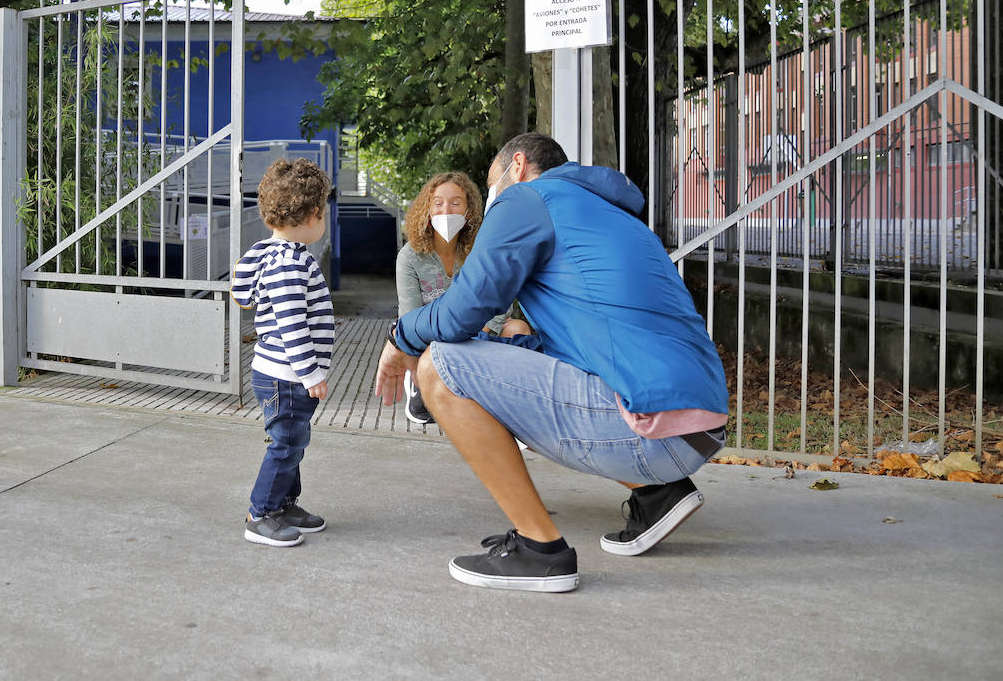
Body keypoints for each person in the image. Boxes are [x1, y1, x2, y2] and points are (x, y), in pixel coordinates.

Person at [374, 133, 728, 592]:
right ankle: (658, 495)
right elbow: (581, 341)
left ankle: (541, 550)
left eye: (491, 182)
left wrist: (399, 337)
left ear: (516, 165)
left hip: (651, 428)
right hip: (698, 428)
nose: (494, 195)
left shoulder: (527, 199)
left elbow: (463, 310)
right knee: (507, 356)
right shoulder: (602, 209)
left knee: (440, 366)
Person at [232, 157, 335, 547]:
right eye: (323, 212)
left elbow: (243, 294)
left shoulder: (268, 253)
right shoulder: (291, 264)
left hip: (275, 371)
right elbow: (293, 325)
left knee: (293, 439)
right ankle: (260, 514)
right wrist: (311, 375)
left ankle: (284, 505)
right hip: (288, 375)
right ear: (312, 214)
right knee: (287, 443)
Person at [395, 172, 531, 424]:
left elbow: (501, 298)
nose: (446, 209)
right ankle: (417, 381)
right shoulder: (409, 257)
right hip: (431, 339)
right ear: (427, 210)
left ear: (469, 211)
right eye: (438, 202)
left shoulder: (480, 249)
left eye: (456, 202)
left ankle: (508, 400)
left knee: (517, 328)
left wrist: (487, 328)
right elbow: (410, 317)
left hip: (478, 333)